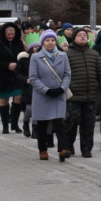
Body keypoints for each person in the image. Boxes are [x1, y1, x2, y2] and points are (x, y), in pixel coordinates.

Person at [28, 29, 72, 162]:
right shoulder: (36, 57)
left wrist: (62, 88)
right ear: (42, 42)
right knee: (42, 123)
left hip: (58, 94)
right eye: (47, 40)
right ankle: (43, 150)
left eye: (53, 40)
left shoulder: (63, 56)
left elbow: (67, 74)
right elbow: (33, 77)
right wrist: (46, 90)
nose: (50, 43)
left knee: (59, 122)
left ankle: (63, 149)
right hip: (42, 95)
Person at [65, 27, 101, 158]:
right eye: (80, 35)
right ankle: (68, 146)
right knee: (71, 123)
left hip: (90, 96)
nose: (83, 37)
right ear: (74, 38)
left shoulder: (93, 54)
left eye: (85, 35)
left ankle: (86, 149)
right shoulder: (67, 54)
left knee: (88, 124)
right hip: (74, 96)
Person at [0, 22, 25, 134]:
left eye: (12, 34)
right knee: (4, 100)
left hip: (16, 75)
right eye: (8, 34)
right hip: (3, 76)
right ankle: (5, 125)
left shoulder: (19, 43)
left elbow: (23, 57)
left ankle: (15, 123)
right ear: (4, 33)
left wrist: (18, 64)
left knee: (18, 98)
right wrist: (7, 65)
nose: (11, 36)